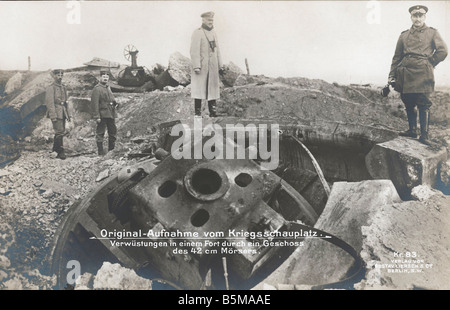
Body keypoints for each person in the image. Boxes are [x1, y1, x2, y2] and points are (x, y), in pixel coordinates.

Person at [388, 5, 447, 145]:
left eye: (421, 15)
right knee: (408, 102)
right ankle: (412, 130)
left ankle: (424, 136)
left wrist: (430, 62)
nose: (418, 18)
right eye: (415, 15)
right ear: (411, 17)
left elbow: (443, 51)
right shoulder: (404, 35)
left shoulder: (432, 33)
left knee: (423, 103)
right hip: (406, 73)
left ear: (425, 17)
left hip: (423, 73)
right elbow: (396, 57)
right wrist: (391, 75)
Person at [190, 11, 224, 117]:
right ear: (203, 20)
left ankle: (213, 113)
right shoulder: (198, 32)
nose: (211, 22)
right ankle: (197, 113)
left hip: (212, 67)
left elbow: (217, 50)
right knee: (199, 90)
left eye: (212, 20)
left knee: (212, 90)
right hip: (201, 67)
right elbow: (194, 50)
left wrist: (220, 65)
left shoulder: (214, 33)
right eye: (209, 20)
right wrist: (196, 66)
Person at [91, 69, 119, 155]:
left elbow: (111, 98)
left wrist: (115, 102)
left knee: (113, 131)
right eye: (104, 77)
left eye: (107, 77)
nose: (105, 78)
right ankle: (100, 151)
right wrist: (97, 116)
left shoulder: (108, 87)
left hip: (111, 113)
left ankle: (111, 150)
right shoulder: (97, 89)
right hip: (102, 114)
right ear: (100, 77)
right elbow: (94, 103)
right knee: (100, 132)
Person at [45, 69, 71, 160]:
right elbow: (50, 103)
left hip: (63, 112)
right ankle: (61, 152)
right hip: (56, 112)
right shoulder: (51, 87)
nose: (60, 77)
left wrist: (68, 114)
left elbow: (66, 102)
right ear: (54, 76)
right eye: (58, 75)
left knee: (60, 131)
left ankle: (55, 150)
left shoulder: (63, 87)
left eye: (61, 75)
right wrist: (53, 116)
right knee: (59, 131)